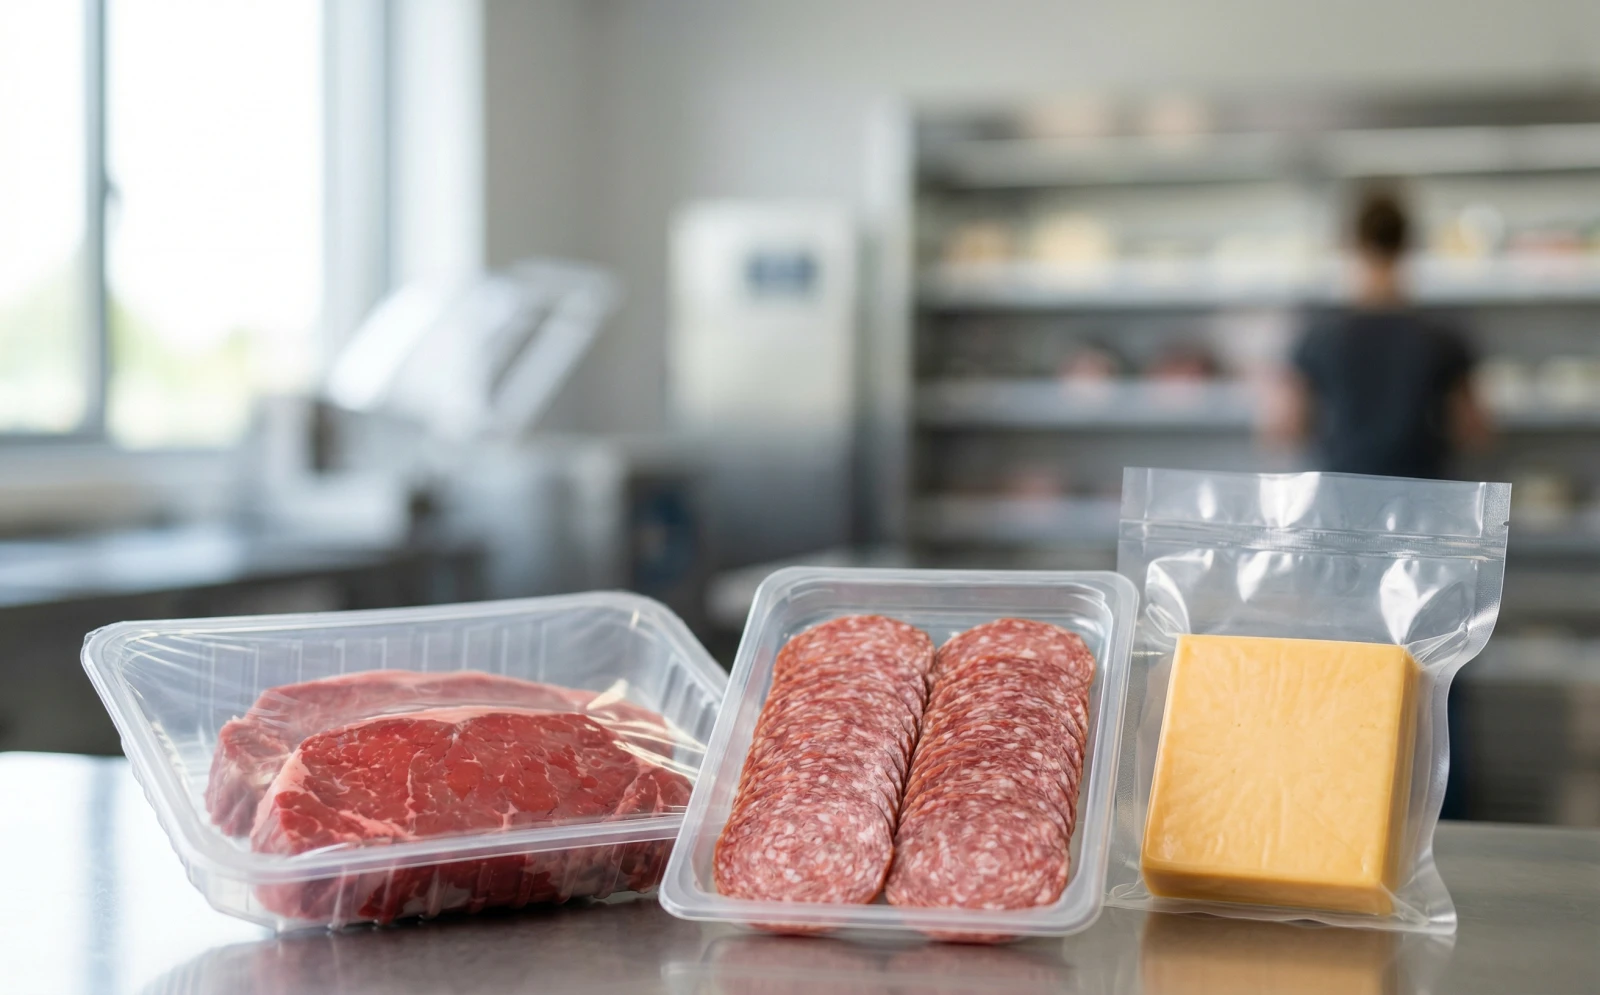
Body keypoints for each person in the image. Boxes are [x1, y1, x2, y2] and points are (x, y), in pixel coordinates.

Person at [1266, 187, 1491, 479]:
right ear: (1407, 243)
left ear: (1350, 243)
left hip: (1343, 498)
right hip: (1422, 498)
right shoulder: (1441, 336)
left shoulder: (1319, 336)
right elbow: (1474, 432)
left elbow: (1285, 428)